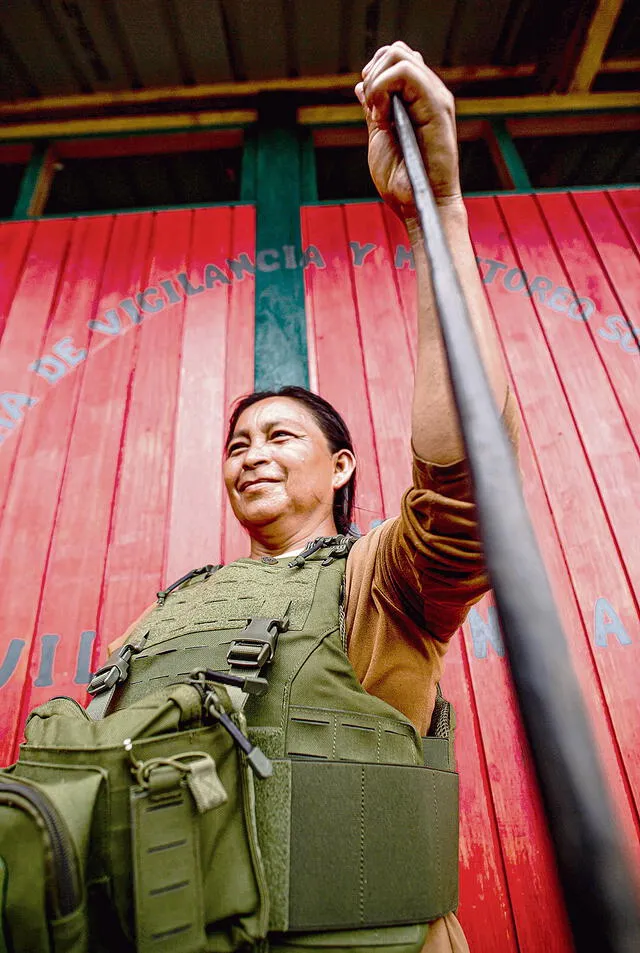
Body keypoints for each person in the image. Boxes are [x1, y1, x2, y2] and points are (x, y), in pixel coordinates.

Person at [105, 42, 518, 953]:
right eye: (237, 443)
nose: (250, 456)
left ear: (340, 467)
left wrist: (435, 214)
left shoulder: (380, 581)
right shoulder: (170, 609)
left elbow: (468, 499)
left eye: (281, 436)